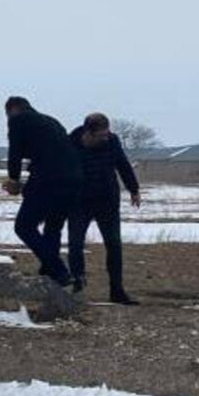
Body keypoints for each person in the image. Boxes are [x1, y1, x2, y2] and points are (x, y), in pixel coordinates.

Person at [3, 96, 83, 286]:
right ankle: (50, 275)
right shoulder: (51, 121)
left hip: (48, 180)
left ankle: (59, 271)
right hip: (74, 180)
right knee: (53, 228)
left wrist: (13, 178)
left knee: (24, 226)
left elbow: (15, 152)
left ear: (12, 110)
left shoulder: (18, 120)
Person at [67, 113, 142, 304]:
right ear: (88, 133)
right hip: (79, 201)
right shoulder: (70, 143)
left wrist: (134, 189)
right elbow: (58, 168)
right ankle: (77, 283)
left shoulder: (113, 141)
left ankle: (117, 291)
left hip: (107, 200)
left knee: (114, 245)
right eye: (101, 135)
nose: (105, 138)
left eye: (107, 134)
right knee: (75, 243)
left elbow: (122, 165)